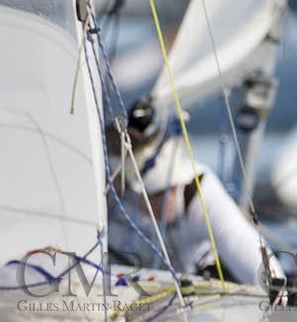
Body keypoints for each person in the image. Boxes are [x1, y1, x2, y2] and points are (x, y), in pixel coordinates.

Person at [108, 103, 279, 288]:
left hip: (200, 284)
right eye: (158, 194)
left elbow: (250, 253)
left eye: (173, 188)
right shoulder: (111, 196)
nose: (170, 198)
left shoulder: (199, 190)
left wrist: (279, 297)